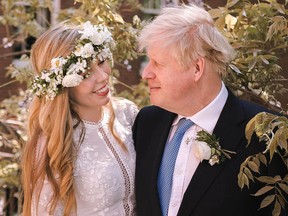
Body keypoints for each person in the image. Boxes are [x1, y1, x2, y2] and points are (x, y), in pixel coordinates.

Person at [132, 4, 287, 216]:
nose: (146, 74)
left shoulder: (267, 135)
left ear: (197, 68)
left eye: (158, 63)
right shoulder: (147, 123)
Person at [21, 21, 138, 215]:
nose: (101, 76)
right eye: (85, 74)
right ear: (61, 85)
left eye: (101, 61)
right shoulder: (51, 145)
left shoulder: (127, 112)